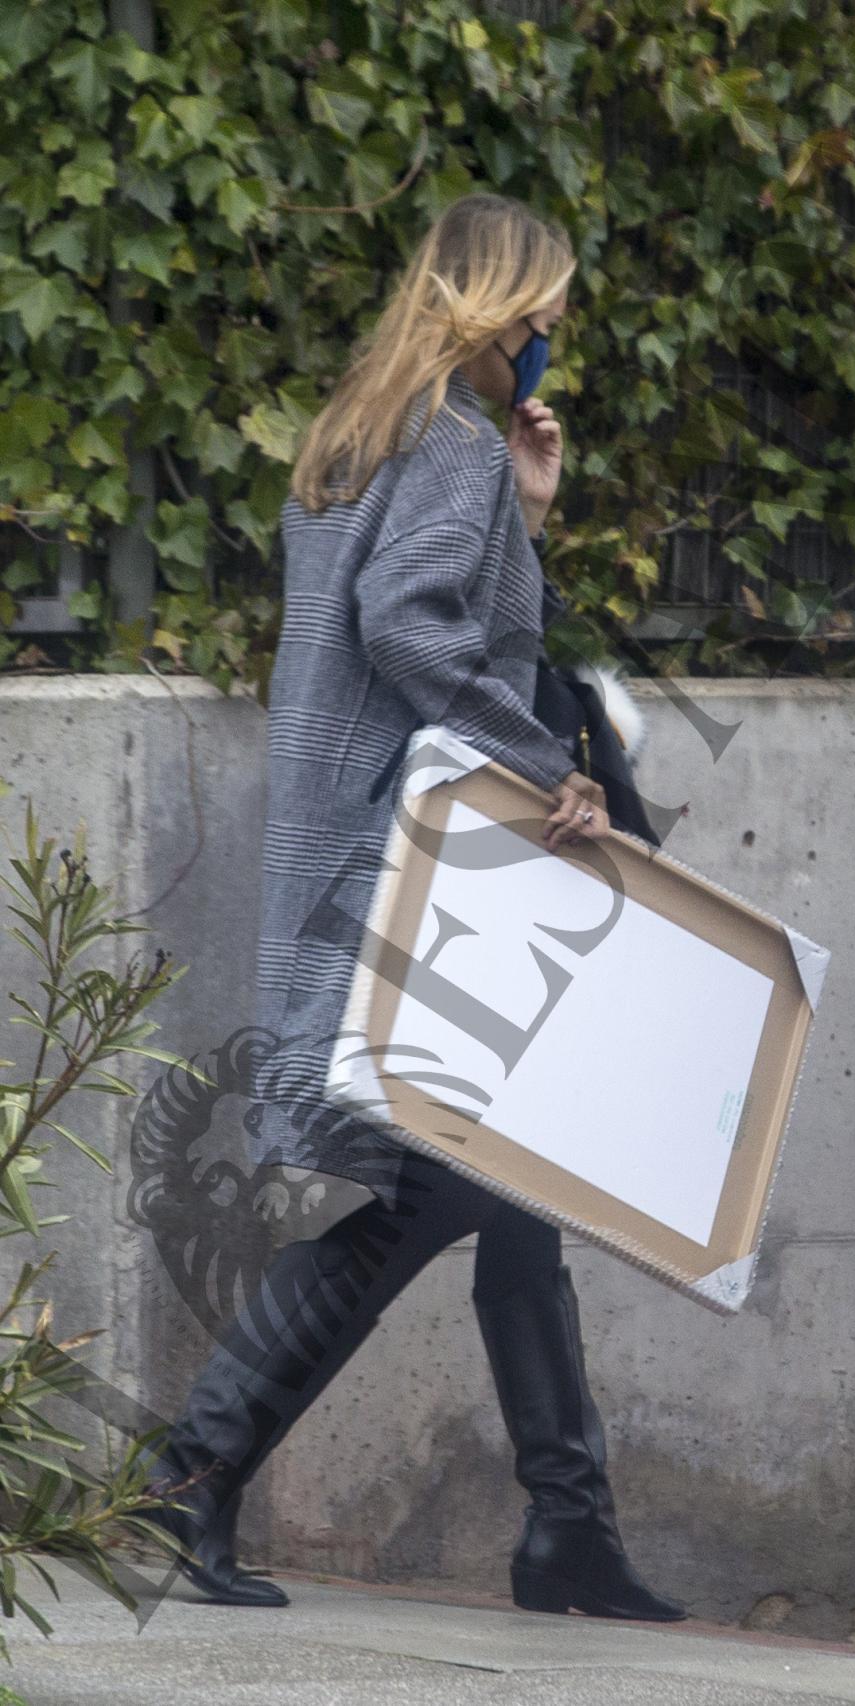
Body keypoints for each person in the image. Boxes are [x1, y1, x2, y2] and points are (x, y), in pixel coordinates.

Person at [135, 192, 685, 1624]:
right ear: (498, 308)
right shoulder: (450, 442)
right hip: (424, 862)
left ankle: (568, 1527)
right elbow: (412, 625)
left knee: (519, 1184)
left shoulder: (365, 436)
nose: (554, 333)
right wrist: (547, 761)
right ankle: (192, 1466)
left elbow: (422, 611)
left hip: (355, 843)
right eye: (546, 310)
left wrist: (526, 514)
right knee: (440, 1186)